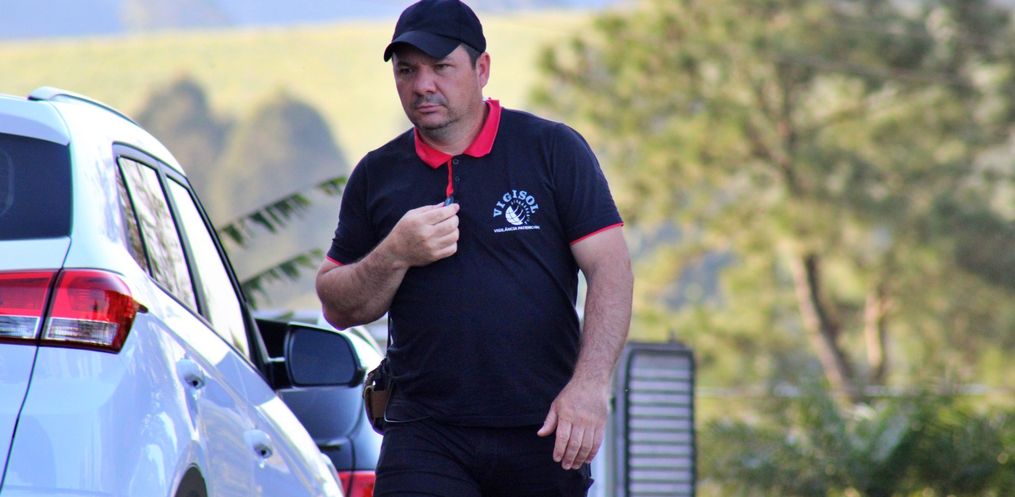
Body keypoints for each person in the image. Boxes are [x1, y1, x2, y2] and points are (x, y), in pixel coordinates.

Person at [315, 0, 633, 495]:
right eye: (407, 70)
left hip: (544, 427)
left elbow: (611, 270)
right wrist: (395, 252)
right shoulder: (378, 174)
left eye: (441, 67)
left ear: (482, 69)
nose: (423, 85)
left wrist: (589, 387)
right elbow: (337, 305)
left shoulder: (551, 149)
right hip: (424, 433)